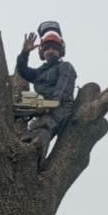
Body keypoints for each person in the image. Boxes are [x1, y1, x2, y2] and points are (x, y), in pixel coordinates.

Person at [16, 27, 77, 168]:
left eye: (54, 48)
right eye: (47, 48)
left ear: (60, 50)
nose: (50, 50)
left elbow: (63, 89)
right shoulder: (40, 72)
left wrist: (51, 104)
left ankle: (34, 161)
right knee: (30, 130)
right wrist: (25, 53)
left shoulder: (65, 67)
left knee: (42, 128)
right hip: (46, 107)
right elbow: (22, 70)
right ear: (42, 52)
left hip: (61, 106)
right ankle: (22, 158)